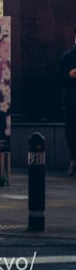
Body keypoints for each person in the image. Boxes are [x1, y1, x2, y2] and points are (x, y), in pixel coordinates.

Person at [60, 26, 76, 176]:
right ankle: (74, 158)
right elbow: (58, 78)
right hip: (71, 102)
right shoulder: (68, 57)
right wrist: (69, 75)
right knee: (71, 130)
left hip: (70, 101)